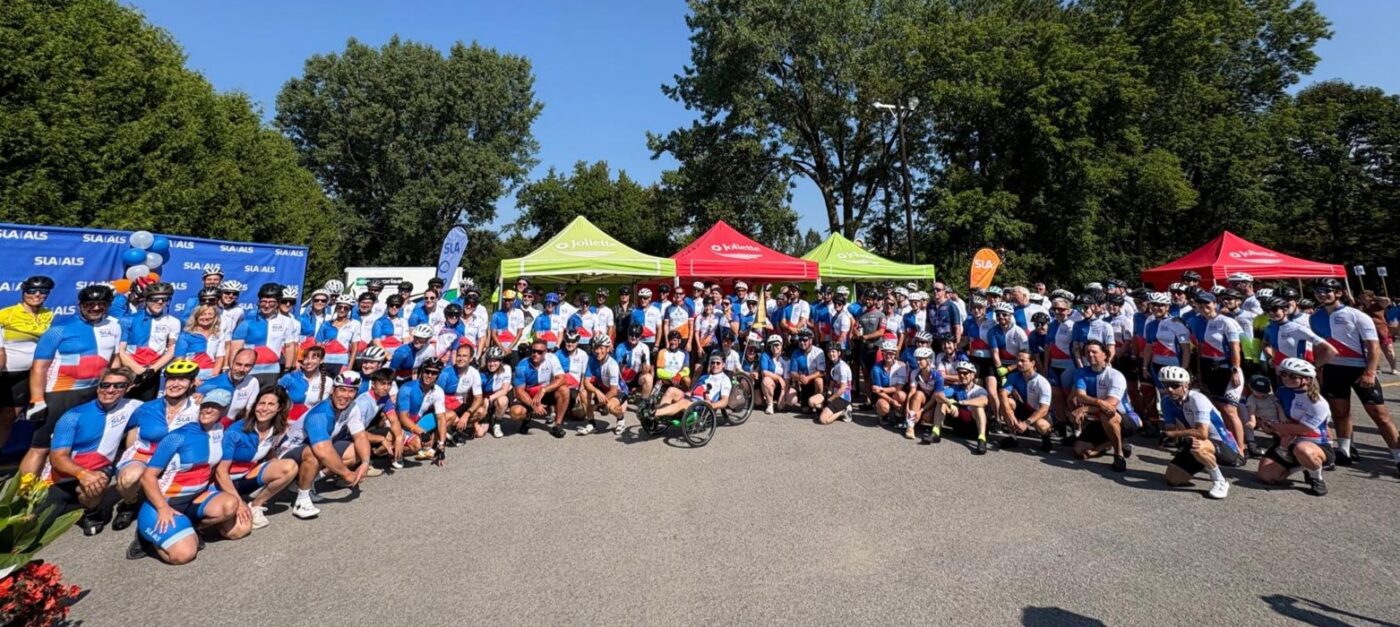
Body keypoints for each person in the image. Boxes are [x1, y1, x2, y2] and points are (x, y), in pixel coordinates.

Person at [127, 388, 245, 564]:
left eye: (215, 406)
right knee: (183, 555)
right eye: (206, 405)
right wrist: (162, 508)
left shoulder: (218, 430)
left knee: (238, 524)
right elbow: (148, 477)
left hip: (195, 499)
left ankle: (192, 527)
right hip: (166, 501)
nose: (208, 410)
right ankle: (146, 539)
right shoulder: (178, 436)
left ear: (224, 411)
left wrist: (240, 501)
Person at [19, 284, 121, 477]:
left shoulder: (114, 326)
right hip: (59, 394)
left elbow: (114, 359)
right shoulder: (59, 330)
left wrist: (115, 386)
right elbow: (39, 367)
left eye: (102, 304)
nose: (96, 308)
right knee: (40, 447)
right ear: (80, 305)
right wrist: (37, 399)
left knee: (74, 444)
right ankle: (21, 498)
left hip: (94, 394)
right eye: (90, 304)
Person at [1308, 278, 1399, 471]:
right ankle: (1344, 451)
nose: (1322, 294)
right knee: (1340, 413)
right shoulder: (1315, 317)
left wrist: (1370, 372)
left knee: (1379, 415)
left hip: (1360, 369)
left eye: (1327, 290)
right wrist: (1318, 369)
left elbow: (1373, 346)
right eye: (1318, 291)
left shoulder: (1356, 315)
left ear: (1339, 293)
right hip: (1333, 369)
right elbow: (1319, 346)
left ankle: (1397, 456)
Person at [43, 367, 142, 536]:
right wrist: (83, 474)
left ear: (128, 388)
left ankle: (91, 511)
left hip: (99, 470)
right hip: (63, 474)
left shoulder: (134, 406)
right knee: (35, 524)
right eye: (105, 385)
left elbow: (169, 407)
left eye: (118, 386)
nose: (110, 390)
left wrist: (198, 394)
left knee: (95, 486)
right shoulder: (73, 416)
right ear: (98, 387)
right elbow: (58, 458)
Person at [112, 360, 202, 531]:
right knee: (128, 478)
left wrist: (202, 392)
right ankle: (129, 503)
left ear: (192, 383)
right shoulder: (146, 408)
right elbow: (132, 434)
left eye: (182, 380)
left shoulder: (197, 408)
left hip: (174, 460)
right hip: (144, 455)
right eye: (171, 379)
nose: (175, 384)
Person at [277, 371, 373, 519]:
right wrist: (347, 474)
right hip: (287, 454)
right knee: (316, 454)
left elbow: (360, 436)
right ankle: (302, 500)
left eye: (351, 391)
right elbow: (322, 450)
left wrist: (365, 462)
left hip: (310, 449)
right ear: (333, 390)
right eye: (342, 389)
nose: (345, 395)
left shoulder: (352, 407)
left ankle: (303, 481)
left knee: (355, 452)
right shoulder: (320, 413)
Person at [213, 387, 297, 530]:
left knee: (289, 467)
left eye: (271, 405)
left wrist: (276, 469)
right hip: (224, 483)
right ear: (255, 405)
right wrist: (239, 503)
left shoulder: (275, 427)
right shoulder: (234, 432)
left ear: (279, 408)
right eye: (261, 403)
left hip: (247, 478)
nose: (264, 409)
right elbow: (221, 472)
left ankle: (256, 505)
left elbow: (268, 448)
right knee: (239, 531)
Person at [1157, 366, 1239, 499]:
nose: (1169, 389)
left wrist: (1174, 435)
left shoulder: (1197, 399)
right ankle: (1203, 462)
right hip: (1197, 441)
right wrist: (1168, 439)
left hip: (1223, 445)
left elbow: (1202, 433)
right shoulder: (1167, 402)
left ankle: (1220, 481)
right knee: (1173, 479)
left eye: (1174, 385)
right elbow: (1170, 430)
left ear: (1185, 386)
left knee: (1197, 446)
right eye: (1165, 385)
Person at [1256, 358, 1332, 496]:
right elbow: (1273, 413)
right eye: (1283, 374)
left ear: (1307, 380)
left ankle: (1316, 477)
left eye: (1293, 376)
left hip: (1314, 444)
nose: (1286, 378)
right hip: (1288, 441)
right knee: (1267, 477)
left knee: (1302, 449)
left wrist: (1273, 427)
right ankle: (1302, 466)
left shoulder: (1318, 403)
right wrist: (1264, 423)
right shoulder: (1281, 391)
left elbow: (1301, 429)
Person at [0, 275, 54, 448]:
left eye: (43, 291)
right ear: (23, 292)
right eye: (31, 291)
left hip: (27, 374)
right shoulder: (6, 314)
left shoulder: (48, 314)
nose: (37, 294)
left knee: (8, 418)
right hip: (4, 372)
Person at [1190, 291, 1247, 455]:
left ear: (1215, 304)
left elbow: (1236, 347)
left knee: (1229, 409)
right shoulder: (1196, 321)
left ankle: (1241, 449)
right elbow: (1199, 349)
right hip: (1208, 367)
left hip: (1226, 367)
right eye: (1200, 303)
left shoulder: (1226, 322)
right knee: (1217, 408)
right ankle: (1227, 444)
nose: (1203, 306)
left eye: (1207, 303)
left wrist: (1235, 369)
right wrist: (1199, 373)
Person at [1070, 341, 1141, 471]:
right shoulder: (1081, 373)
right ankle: (1109, 445)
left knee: (1107, 414)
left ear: (1105, 355)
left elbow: (1110, 406)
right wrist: (1098, 402)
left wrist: (1085, 408)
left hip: (1126, 419)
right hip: (1099, 419)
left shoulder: (1115, 376)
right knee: (1079, 450)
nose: (1090, 355)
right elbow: (1080, 396)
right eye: (1087, 352)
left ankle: (1118, 454)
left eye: (1094, 352)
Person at [228, 283, 297, 390]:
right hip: (249, 371)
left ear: (278, 303)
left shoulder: (287, 322)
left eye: (271, 302)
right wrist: (233, 370)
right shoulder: (247, 322)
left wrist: (287, 370)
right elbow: (235, 349)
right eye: (263, 302)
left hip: (272, 372)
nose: (266, 305)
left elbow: (290, 347)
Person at [508, 339, 568, 438]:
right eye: (533, 351)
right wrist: (534, 406)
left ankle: (558, 425)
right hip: (528, 395)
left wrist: (543, 390)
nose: (536, 354)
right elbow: (519, 392)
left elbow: (562, 379)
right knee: (515, 413)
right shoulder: (522, 365)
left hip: (544, 393)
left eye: (540, 352)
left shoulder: (552, 358)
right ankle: (527, 417)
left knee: (564, 389)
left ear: (546, 352)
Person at [928, 360, 989, 454]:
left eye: (965, 373)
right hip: (959, 426)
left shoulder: (979, 390)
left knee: (979, 407)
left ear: (972, 375)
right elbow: (938, 395)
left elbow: (984, 401)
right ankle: (936, 432)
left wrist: (962, 403)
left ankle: (982, 440)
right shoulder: (956, 388)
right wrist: (949, 403)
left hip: (974, 429)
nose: (962, 375)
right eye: (959, 373)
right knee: (942, 403)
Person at [998, 350, 1053, 452]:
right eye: (1018, 360)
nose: (1019, 363)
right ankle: (1012, 437)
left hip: (1039, 413)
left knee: (1042, 426)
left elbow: (1044, 409)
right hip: (1024, 408)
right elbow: (1003, 393)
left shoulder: (1042, 382)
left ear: (1032, 363)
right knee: (1008, 403)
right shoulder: (1014, 376)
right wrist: (1009, 413)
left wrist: (1026, 423)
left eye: (1023, 361)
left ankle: (1045, 438)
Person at [396, 359, 449, 461]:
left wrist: (442, 445)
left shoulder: (438, 391)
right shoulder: (406, 388)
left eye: (434, 373)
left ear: (438, 375)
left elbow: (441, 418)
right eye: (427, 371)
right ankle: (387, 453)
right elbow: (403, 418)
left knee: (449, 415)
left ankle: (430, 447)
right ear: (421, 371)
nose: (429, 375)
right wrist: (422, 432)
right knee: (417, 444)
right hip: (400, 425)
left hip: (415, 423)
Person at [653, 352, 731, 421]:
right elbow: (691, 391)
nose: (715, 365)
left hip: (701, 405)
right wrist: (688, 393)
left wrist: (712, 405)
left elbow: (724, 401)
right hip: (691, 399)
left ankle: (655, 413)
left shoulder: (725, 379)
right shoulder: (704, 376)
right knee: (671, 390)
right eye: (713, 363)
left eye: (718, 363)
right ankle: (661, 414)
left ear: (723, 364)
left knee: (683, 402)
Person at [197, 348, 260, 424]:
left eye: (247, 366)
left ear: (253, 366)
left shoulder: (252, 382)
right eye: (238, 364)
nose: (241, 369)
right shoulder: (212, 383)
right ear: (231, 362)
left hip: (233, 425)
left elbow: (250, 411)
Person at [439, 343, 486, 443]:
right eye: (459, 355)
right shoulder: (446, 373)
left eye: (465, 356)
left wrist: (467, 414)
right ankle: (450, 430)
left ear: (470, 359)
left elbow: (478, 398)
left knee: (481, 411)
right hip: (444, 405)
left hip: (459, 405)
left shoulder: (474, 373)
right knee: (450, 416)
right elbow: (436, 398)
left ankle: (457, 428)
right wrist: (454, 417)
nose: (461, 358)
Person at [581, 336, 627, 433]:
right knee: (583, 393)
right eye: (596, 348)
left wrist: (597, 406)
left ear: (607, 348)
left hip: (618, 391)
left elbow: (614, 391)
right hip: (602, 389)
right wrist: (597, 392)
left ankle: (620, 419)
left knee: (610, 407)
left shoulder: (612, 365)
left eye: (601, 348)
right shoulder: (592, 359)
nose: (598, 351)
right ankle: (591, 423)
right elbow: (586, 382)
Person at [174, 303, 225, 383]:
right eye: (203, 314)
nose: (206, 317)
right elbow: (179, 359)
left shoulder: (219, 334)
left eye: (210, 314)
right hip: (191, 374)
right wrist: (192, 378)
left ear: (215, 317)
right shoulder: (186, 335)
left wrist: (214, 376)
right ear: (196, 317)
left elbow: (220, 357)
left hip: (211, 373)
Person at [278, 346, 330, 421]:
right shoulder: (289, 378)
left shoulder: (327, 381)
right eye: (306, 358)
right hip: (288, 421)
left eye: (313, 358)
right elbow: (275, 399)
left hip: (312, 422)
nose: (309, 361)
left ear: (321, 360)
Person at [869, 340, 910, 435]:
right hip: (881, 395)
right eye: (886, 352)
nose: (888, 355)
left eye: (891, 353)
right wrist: (891, 401)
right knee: (884, 407)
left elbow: (899, 387)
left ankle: (898, 416)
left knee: (901, 395)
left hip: (893, 392)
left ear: (895, 354)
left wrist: (882, 389)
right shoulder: (876, 368)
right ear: (882, 353)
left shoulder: (901, 366)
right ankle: (883, 415)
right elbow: (877, 391)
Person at [316, 294, 362, 376]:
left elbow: (355, 348)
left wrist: (350, 366)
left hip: (342, 362)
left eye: (346, 308)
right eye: (339, 307)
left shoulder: (355, 324)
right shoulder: (326, 324)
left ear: (350, 310)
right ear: (336, 308)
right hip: (325, 361)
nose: (342, 310)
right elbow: (318, 344)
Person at [783, 330, 825, 413]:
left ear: (811, 340)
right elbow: (792, 372)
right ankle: (807, 401)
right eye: (800, 340)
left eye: (805, 340)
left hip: (813, 381)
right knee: (805, 410)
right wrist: (799, 377)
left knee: (819, 381)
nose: (802, 342)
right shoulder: (795, 353)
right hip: (804, 383)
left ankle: (820, 404)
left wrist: (808, 378)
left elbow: (821, 371)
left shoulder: (819, 352)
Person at [477, 346, 514, 438]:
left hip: (498, 396)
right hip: (485, 397)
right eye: (490, 360)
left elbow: (504, 390)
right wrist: (483, 402)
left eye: (495, 361)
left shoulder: (506, 369)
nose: (492, 364)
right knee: (480, 433)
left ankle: (497, 423)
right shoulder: (481, 372)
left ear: (501, 361)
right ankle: (487, 418)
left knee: (502, 401)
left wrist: (489, 399)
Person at [816, 341, 853, 425]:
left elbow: (843, 388)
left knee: (823, 420)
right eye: (829, 352)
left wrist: (830, 399)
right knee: (812, 401)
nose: (830, 354)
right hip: (834, 393)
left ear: (839, 353)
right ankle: (829, 409)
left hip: (843, 397)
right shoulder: (834, 364)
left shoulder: (842, 367)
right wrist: (829, 393)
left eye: (833, 351)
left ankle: (843, 411)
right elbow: (833, 382)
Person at [758, 334, 787, 415]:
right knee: (766, 380)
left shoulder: (786, 359)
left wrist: (783, 395)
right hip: (770, 385)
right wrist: (779, 378)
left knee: (793, 400)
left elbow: (787, 379)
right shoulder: (765, 355)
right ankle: (770, 404)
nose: (774, 347)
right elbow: (764, 372)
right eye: (772, 345)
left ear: (781, 345)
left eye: (777, 345)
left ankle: (780, 401)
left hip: (782, 386)